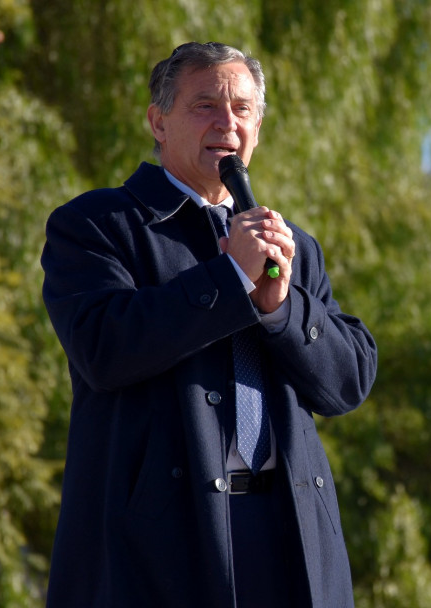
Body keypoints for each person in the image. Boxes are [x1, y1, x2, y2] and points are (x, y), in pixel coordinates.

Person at [40, 41, 377, 607]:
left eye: (242, 109)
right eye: (205, 106)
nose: (227, 123)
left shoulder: (293, 246)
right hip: (162, 547)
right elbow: (104, 349)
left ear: (258, 127)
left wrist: (279, 308)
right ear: (158, 121)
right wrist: (228, 280)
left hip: (290, 537)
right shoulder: (96, 225)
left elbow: (347, 383)